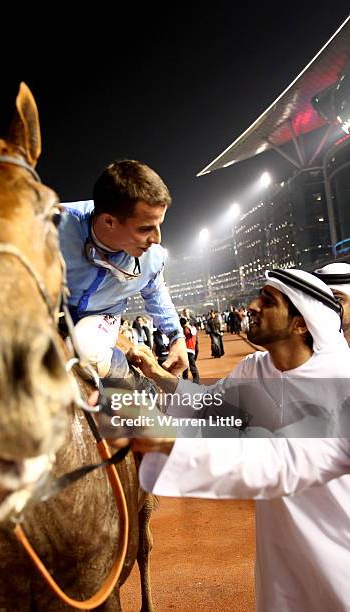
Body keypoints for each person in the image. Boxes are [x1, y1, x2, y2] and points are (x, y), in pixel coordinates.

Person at [116, 268, 350, 611]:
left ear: (302, 323)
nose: (252, 306)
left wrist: (172, 444)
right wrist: (156, 372)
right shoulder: (257, 368)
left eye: (268, 301)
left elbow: (280, 465)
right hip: (281, 556)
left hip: (340, 551)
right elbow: (207, 407)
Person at [59, 159, 187, 379]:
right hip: (48, 311)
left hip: (100, 318)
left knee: (85, 352)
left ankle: (133, 380)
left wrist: (177, 337)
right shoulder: (53, 226)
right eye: (146, 228)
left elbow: (155, 292)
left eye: (159, 225)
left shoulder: (153, 257)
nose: (156, 239)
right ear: (109, 222)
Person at [180, 316, 200, 383]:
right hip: (184, 350)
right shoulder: (182, 329)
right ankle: (185, 381)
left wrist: (187, 326)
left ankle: (196, 381)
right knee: (185, 367)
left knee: (192, 367)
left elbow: (193, 334)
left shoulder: (192, 329)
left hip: (190, 350)